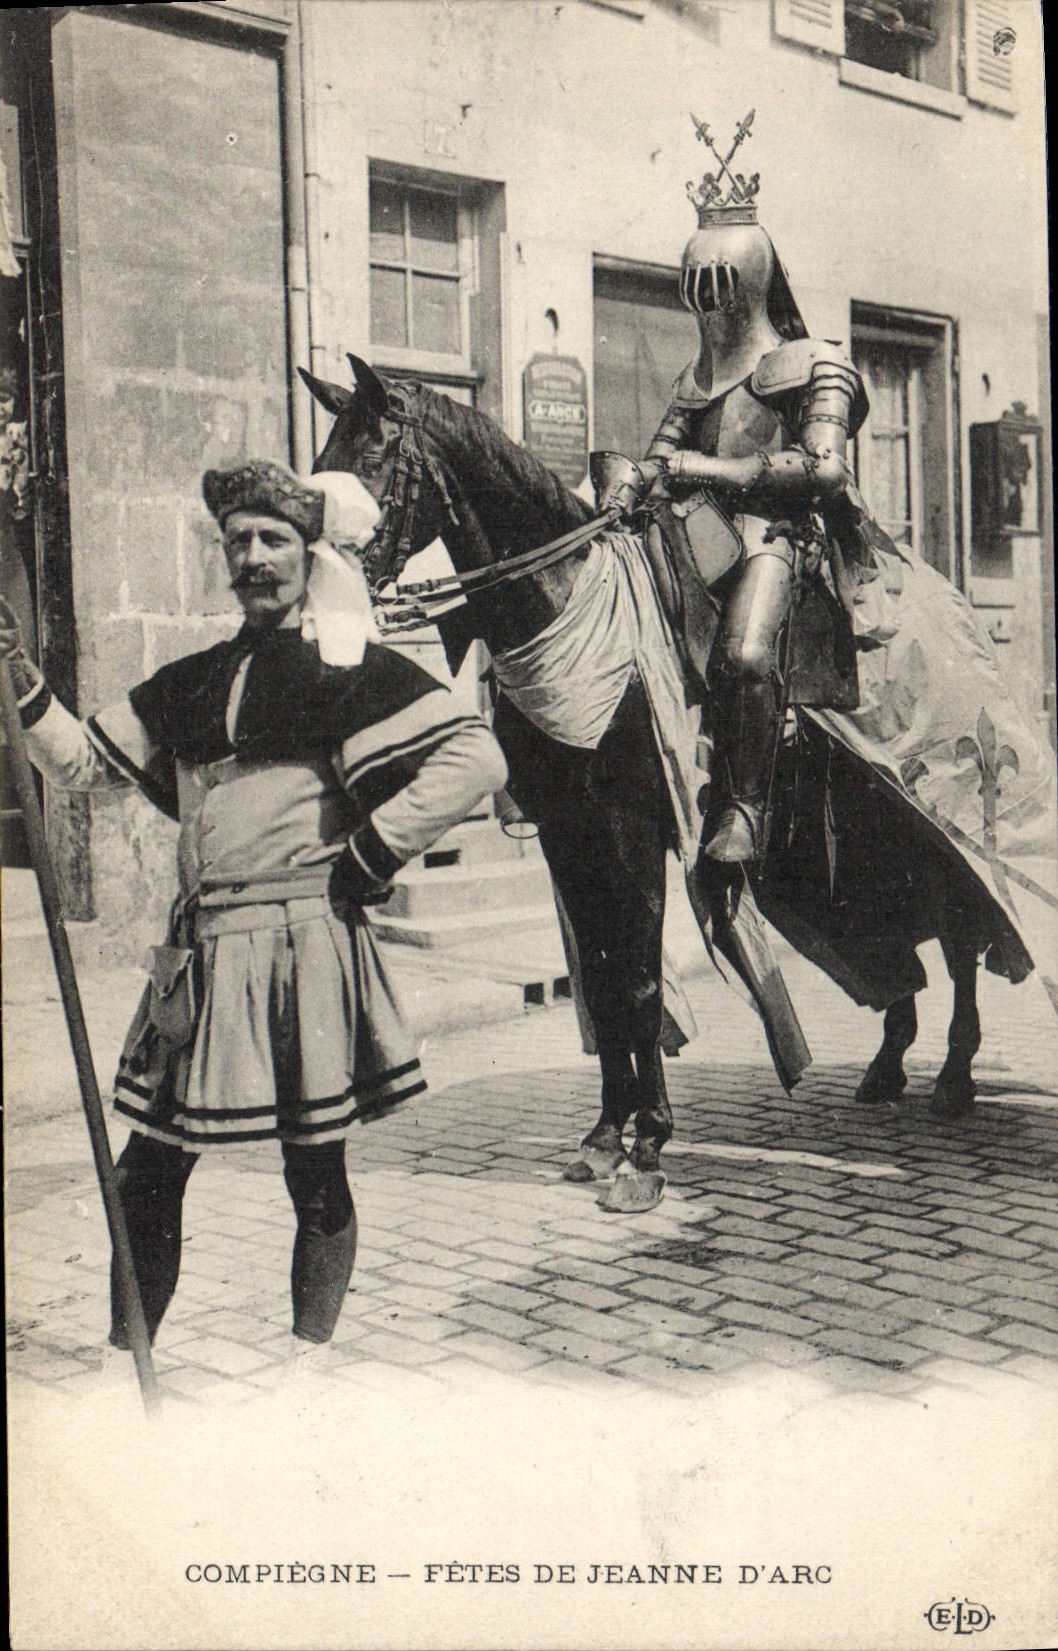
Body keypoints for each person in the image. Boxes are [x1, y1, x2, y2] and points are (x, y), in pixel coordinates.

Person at [1, 458, 507, 1367]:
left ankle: (310, 1369)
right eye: (238, 541)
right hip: (199, 964)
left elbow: (475, 758)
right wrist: (20, 677)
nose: (254, 557)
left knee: (314, 1172)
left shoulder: (349, 672)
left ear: (309, 555)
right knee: (146, 1173)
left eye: (273, 539)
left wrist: (369, 853)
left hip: (302, 947)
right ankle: (128, 1370)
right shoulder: (192, 679)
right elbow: (80, 767)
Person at [598, 117, 875, 865]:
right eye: (700, 292)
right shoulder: (694, 378)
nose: (711, 307)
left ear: (749, 285)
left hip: (778, 538)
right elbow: (661, 458)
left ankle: (742, 808)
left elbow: (822, 470)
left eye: (721, 289)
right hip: (696, 538)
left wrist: (704, 472)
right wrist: (624, 486)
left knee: (747, 655)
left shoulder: (814, 363)